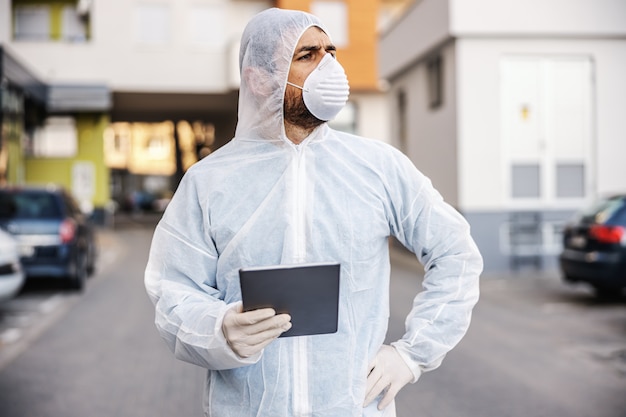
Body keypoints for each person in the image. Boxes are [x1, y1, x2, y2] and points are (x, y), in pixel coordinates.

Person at [144, 7, 482, 417]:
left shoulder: (377, 166)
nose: (330, 67)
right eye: (307, 56)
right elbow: (173, 292)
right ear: (259, 78)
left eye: (330, 51)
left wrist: (412, 354)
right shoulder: (209, 181)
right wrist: (220, 329)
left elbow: (456, 253)